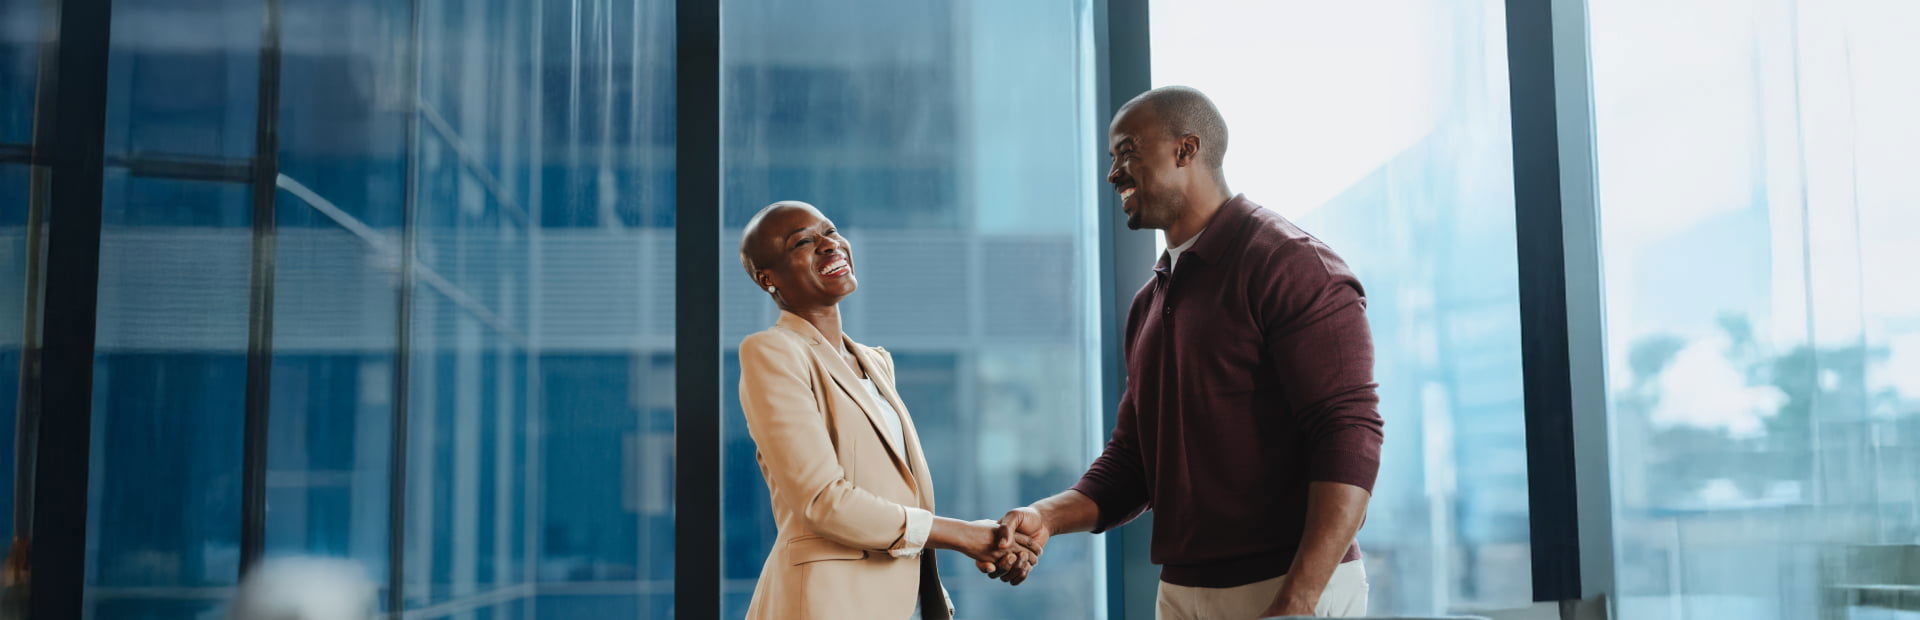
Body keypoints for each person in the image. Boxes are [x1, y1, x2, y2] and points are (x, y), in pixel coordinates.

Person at [994, 86, 1385, 618]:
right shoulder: (1150, 301)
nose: (1114, 173)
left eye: (1128, 150)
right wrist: (1046, 516)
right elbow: (1134, 462)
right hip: (1181, 592)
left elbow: (1349, 433)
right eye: (1112, 158)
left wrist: (1300, 598)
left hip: (1288, 585)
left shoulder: (1290, 264)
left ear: (1186, 149)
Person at [735, 201, 1037, 620]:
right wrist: (962, 535)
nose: (828, 244)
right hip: (825, 605)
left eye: (830, 230)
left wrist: (990, 540)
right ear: (767, 279)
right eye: (803, 242)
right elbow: (824, 501)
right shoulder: (771, 351)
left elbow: (894, 496)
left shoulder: (875, 363)